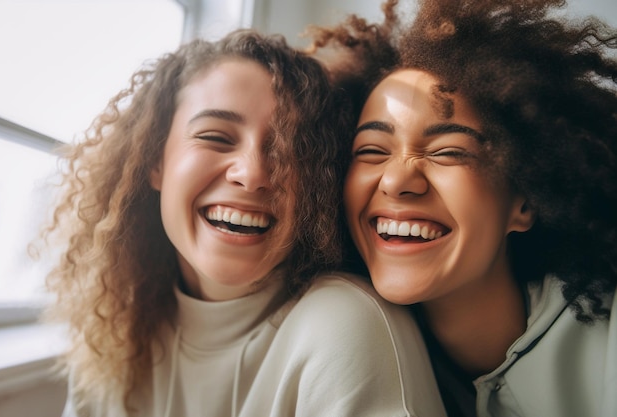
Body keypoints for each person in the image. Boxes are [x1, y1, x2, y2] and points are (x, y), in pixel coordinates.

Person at [38, 29, 447, 417]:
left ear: (315, 186)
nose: (252, 174)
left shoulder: (345, 325)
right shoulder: (113, 334)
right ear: (154, 161)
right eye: (216, 137)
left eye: (288, 150)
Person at [306, 0, 617, 416]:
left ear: (526, 201)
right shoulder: (355, 349)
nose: (397, 181)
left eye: (449, 152)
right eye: (371, 150)